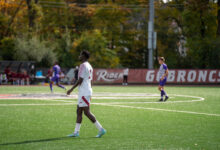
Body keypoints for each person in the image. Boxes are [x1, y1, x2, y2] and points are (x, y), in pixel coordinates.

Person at [67, 50, 106, 138]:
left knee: (86, 112)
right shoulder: (90, 66)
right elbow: (90, 80)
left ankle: (101, 129)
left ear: (84, 56)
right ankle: (76, 132)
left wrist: (71, 89)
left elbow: (80, 80)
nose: (79, 56)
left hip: (84, 92)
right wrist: (90, 90)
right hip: (86, 91)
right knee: (79, 111)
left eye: (80, 55)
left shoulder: (83, 65)